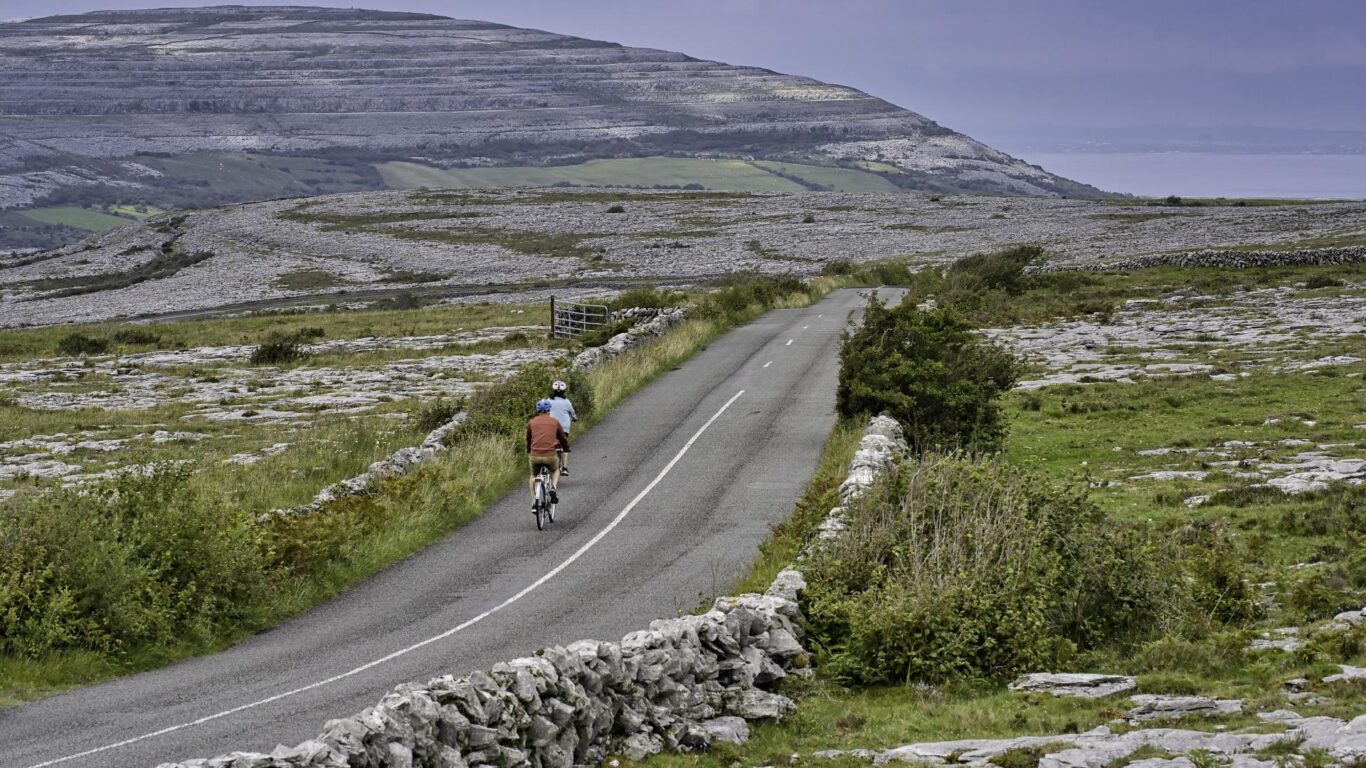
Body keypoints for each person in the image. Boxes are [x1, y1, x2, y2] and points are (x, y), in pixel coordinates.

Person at [526, 398, 569, 510]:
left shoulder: (531, 422)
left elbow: (528, 439)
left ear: (537, 410)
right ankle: (553, 488)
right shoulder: (555, 422)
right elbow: (562, 438)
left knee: (532, 476)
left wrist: (529, 450)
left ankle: (534, 502)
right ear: (549, 410)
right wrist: (566, 448)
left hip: (535, 455)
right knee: (555, 470)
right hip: (550, 455)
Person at [547, 379, 577, 475]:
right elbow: (572, 413)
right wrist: (574, 418)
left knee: (550, 444)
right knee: (564, 446)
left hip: (551, 427)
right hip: (564, 428)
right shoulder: (567, 402)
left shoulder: (548, 401)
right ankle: (564, 468)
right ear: (564, 391)